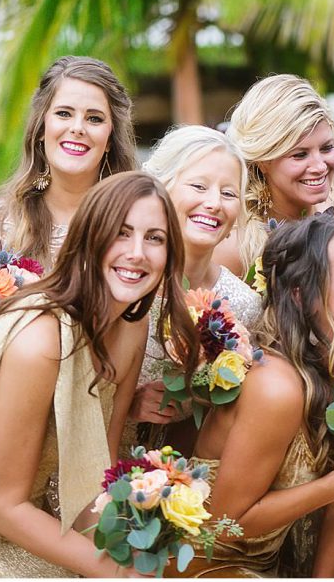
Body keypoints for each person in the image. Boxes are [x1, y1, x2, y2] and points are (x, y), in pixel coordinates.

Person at [0, 172, 199, 577]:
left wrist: (124, 550)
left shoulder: (132, 324)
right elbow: (0, 507)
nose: (137, 253)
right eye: (121, 233)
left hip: (20, 524)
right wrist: (115, 572)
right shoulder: (40, 340)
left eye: (155, 238)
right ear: (88, 238)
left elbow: (100, 469)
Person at [172, 214, 334, 577]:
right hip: (204, 564)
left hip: (271, 566)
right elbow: (226, 522)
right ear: (302, 295)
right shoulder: (276, 385)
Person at [0, 56, 139, 387]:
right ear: (41, 129)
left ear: (110, 139)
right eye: (64, 113)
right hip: (8, 416)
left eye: (94, 118)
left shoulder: (135, 234)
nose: (77, 127)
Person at [130, 125, 262, 449]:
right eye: (199, 186)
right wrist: (127, 405)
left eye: (228, 193)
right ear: (160, 189)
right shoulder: (125, 284)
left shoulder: (245, 306)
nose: (214, 203)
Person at [212, 74, 334, 278]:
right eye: (300, 155)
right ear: (263, 161)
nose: (319, 166)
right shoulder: (235, 246)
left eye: (327, 148)